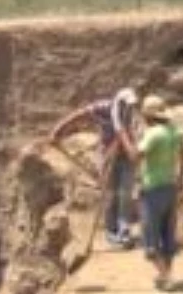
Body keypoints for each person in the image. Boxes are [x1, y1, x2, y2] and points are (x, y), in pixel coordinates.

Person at [49, 87, 140, 248]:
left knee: (125, 194)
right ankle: (112, 233)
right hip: (107, 156)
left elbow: (125, 134)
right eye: (126, 104)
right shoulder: (103, 108)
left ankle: (123, 233)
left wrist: (129, 149)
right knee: (110, 195)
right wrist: (58, 130)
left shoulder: (130, 113)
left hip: (126, 157)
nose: (129, 107)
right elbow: (79, 115)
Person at [135, 95, 183, 290]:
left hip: (152, 189)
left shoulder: (153, 134)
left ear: (147, 116)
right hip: (170, 186)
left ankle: (166, 277)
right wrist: (181, 180)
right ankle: (167, 273)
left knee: (150, 234)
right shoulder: (175, 132)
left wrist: (126, 139)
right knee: (167, 234)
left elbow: (136, 155)